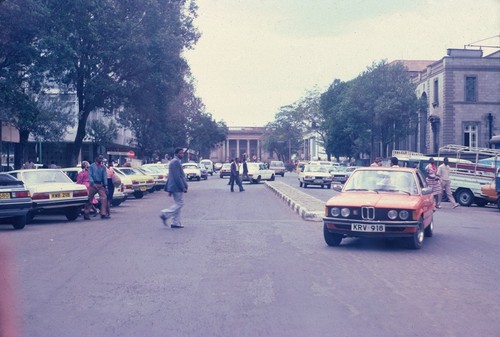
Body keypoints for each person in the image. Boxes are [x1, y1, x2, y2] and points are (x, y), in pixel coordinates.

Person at [160, 147, 188, 228]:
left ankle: (175, 222)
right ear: (176, 154)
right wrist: (182, 187)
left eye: (182, 153)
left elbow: (171, 176)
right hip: (177, 186)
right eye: (180, 153)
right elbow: (176, 177)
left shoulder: (175, 162)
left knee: (178, 204)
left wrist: (169, 188)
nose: (182, 154)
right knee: (180, 203)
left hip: (174, 186)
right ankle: (165, 214)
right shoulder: (175, 162)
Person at [84, 155, 109, 219]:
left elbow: (104, 177)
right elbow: (90, 175)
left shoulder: (103, 167)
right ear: (96, 158)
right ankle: (86, 214)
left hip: (100, 185)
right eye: (99, 158)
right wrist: (92, 183)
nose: (100, 159)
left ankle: (103, 213)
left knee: (104, 198)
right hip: (93, 185)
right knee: (90, 199)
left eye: (101, 158)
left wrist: (106, 185)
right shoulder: (92, 166)